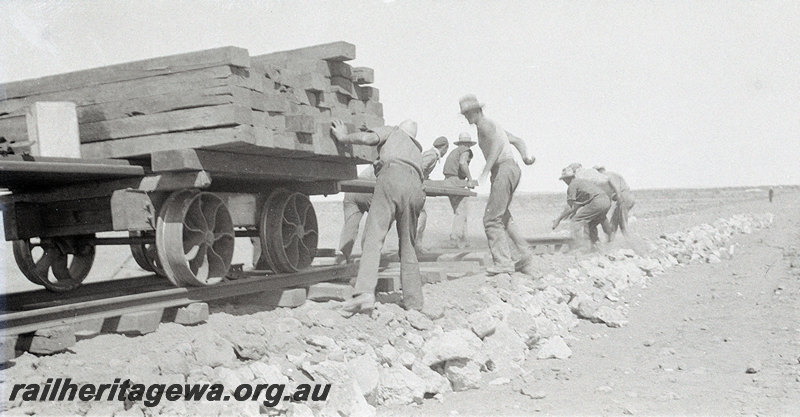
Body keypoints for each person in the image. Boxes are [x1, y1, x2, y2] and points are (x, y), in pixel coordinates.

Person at [330, 119, 426, 313]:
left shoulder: (392, 131)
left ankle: (364, 293)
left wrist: (343, 137)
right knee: (408, 246)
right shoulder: (416, 151)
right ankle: (414, 303)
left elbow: (367, 138)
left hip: (392, 177)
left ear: (399, 128)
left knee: (374, 238)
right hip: (417, 187)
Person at [459, 94, 536, 275]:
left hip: (503, 169)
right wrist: (526, 157)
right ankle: (524, 254)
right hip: (512, 169)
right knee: (503, 216)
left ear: (478, 110)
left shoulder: (485, 125)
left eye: (469, 113)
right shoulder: (494, 125)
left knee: (491, 219)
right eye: (464, 114)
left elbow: (495, 147)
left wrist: (486, 170)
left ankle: (503, 263)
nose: (467, 117)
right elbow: (517, 140)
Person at [552, 166, 612, 249]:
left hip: (597, 202)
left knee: (576, 220)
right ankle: (599, 245)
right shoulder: (582, 182)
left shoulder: (572, 186)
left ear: (566, 179)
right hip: (606, 200)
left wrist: (558, 220)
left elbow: (571, 207)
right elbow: (579, 203)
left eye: (564, 180)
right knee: (592, 224)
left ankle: (577, 246)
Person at [335, 165, 376, 265]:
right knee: (376, 224)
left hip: (352, 190)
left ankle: (342, 258)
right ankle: (367, 257)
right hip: (369, 189)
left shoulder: (373, 165)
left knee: (350, 227)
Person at [442, 132, 476, 248]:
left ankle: (464, 240)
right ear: (468, 144)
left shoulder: (454, 151)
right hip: (455, 181)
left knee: (460, 211)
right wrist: (470, 179)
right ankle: (454, 238)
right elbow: (462, 163)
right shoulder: (465, 151)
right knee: (461, 211)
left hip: (448, 180)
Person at [416, 136, 450, 247]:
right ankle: (416, 246)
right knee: (421, 216)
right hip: (414, 188)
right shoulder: (432, 155)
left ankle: (416, 245)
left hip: (415, 185)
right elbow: (419, 168)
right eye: (446, 149)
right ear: (444, 147)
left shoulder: (431, 154)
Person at [594, 165, 635, 237]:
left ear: (598, 171)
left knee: (623, 223)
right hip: (628, 196)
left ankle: (629, 242)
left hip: (623, 198)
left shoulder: (605, 176)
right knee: (614, 221)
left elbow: (616, 189)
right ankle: (610, 242)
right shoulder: (613, 174)